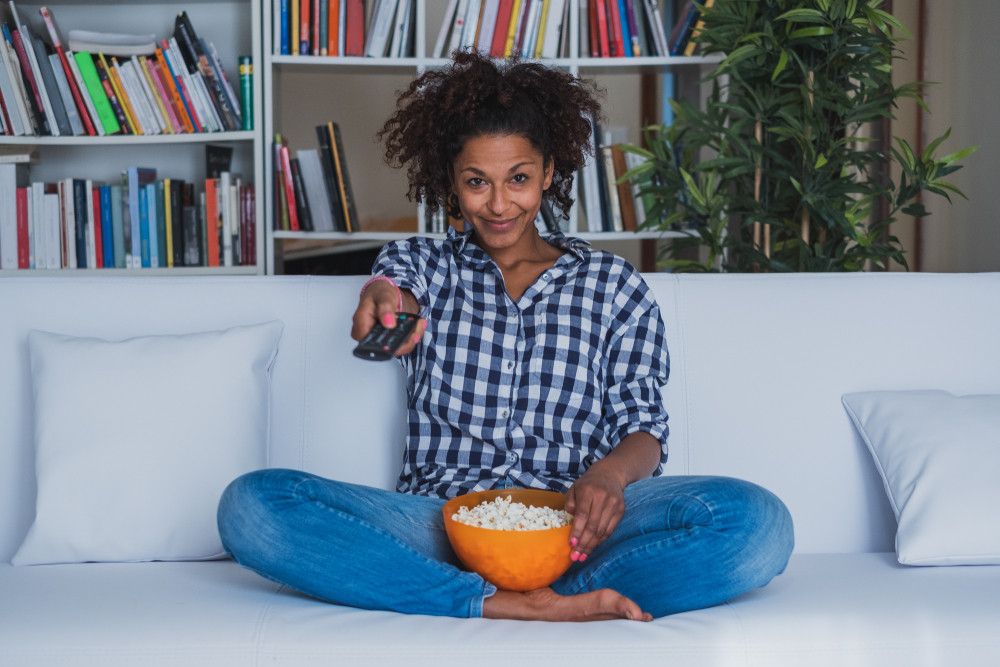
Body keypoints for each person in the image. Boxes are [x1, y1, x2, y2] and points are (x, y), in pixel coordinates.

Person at [218, 51, 793, 622]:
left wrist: (609, 476)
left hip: (575, 526)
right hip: (441, 526)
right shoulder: (425, 264)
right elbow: (399, 291)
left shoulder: (614, 285)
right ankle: (504, 604)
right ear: (452, 182)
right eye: (477, 182)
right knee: (252, 507)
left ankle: (535, 592)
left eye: (518, 178)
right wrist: (389, 303)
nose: (498, 204)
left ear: (547, 172)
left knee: (757, 523)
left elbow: (643, 424)